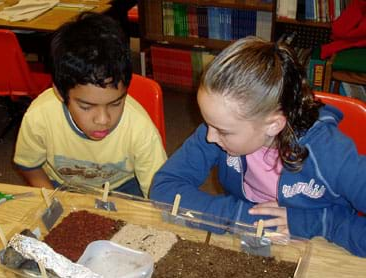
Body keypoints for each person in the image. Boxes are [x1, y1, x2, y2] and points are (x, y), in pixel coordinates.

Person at [150, 36, 366, 257]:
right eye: (208, 123)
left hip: (320, 251)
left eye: (223, 131)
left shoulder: (330, 152)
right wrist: (243, 218)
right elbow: (165, 187)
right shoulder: (217, 128)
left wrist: (324, 224)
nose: (210, 137)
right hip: (250, 245)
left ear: (272, 125)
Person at [14, 12, 166, 198]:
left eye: (116, 103)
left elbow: (158, 194)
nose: (103, 120)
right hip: (61, 188)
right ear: (61, 93)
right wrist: (52, 199)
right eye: (86, 107)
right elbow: (30, 166)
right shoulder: (39, 116)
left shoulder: (140, 129)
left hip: (123, 190)